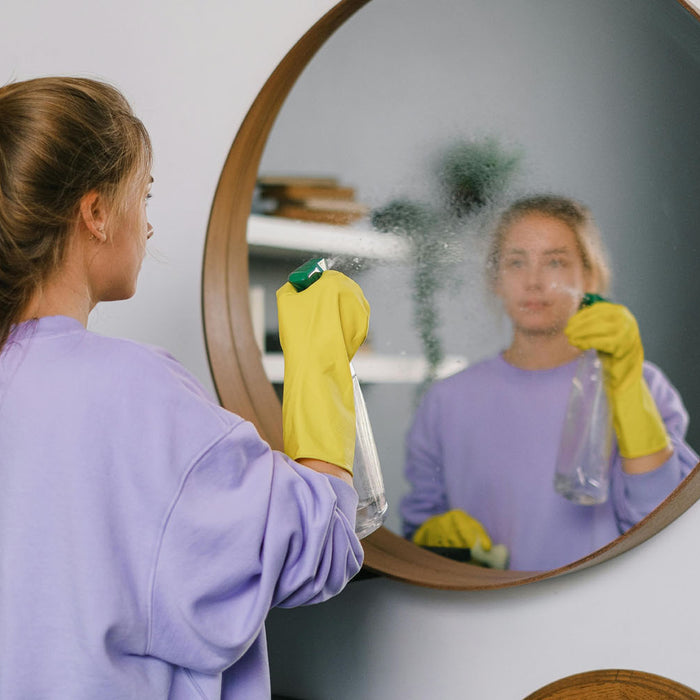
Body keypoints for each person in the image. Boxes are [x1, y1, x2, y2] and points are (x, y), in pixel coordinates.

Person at [0, 77, 368, 699]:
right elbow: (320, 547)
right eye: (142, 195)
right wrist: (320, 363)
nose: (147, 226)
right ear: (94, 212)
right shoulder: (133, 391)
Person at [400, 194, 698, 571]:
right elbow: (414, 542)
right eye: (515, 262)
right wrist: (430, 536)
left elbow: (664, 523)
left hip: (607, 613)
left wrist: (625, 384)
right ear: (496, 279)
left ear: (590, 276)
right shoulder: (446, 400)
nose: (534, 281)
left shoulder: (642, 384)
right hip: (483, 617)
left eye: (555, 262)